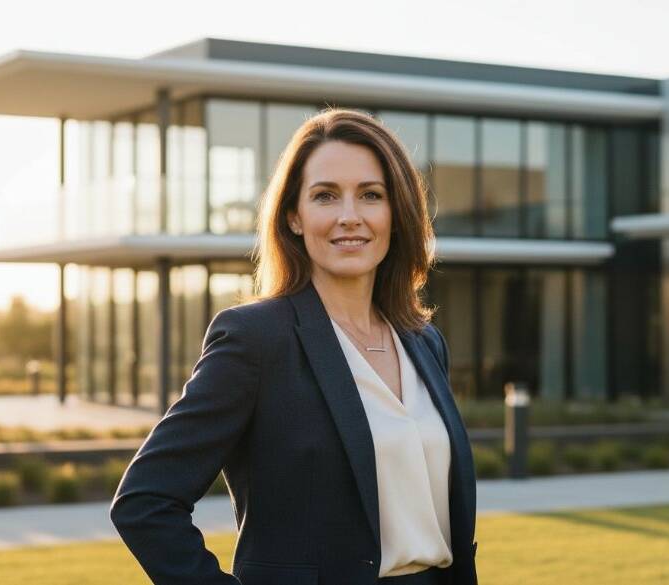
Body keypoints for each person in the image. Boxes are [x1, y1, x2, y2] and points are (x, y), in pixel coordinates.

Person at [110, 108, 478, 585]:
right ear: (294, 218)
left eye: (371, 195)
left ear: (396, 213)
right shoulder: (256, 339)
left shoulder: (424, 342)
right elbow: (145, 501)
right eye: (325, 196)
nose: (350, 216)